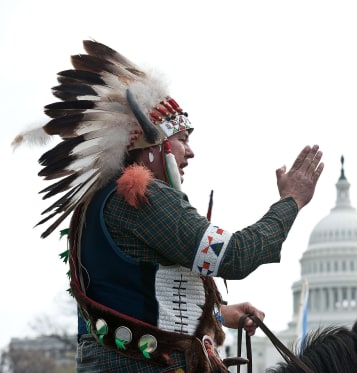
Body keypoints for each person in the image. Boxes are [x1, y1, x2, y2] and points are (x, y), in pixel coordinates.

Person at [11, 40, 324, 372]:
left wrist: (219, 315)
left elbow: (136, 297)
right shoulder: (138, 195)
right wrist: (291, 202)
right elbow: (234, 256)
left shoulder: (104, 201)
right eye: (183, 140)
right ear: (153, 147)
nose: (190, 153)